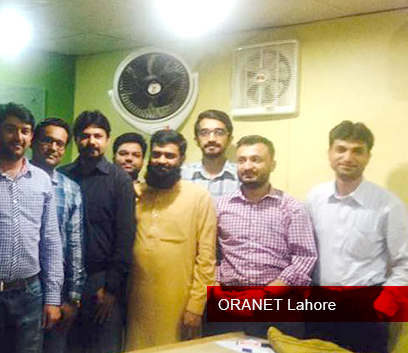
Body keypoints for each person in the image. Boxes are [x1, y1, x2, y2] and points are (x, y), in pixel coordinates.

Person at [305, 121, 408, 353]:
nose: (348, 157)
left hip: (366, 305)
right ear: (330, 153)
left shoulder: (388, 204)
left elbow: (405, 262)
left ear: (368, 156)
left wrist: (383, 307)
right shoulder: (314, 198)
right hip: (320, 303)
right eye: (341, 149)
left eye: (357, 151)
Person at [0, 103, 63, 353]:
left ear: (31, 137)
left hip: (30, 293)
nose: (18, 137)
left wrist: (53, 298)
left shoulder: (42, 180)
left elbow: (51, 242)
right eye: (10, 129)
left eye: (25, 131)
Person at [211, 135, 317, 338]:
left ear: (272, 165)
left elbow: (304, 258)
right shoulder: (220, 206)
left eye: (256, 159)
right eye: (242, 160)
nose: (247, 166)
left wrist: (265, 295)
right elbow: (211, 253)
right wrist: (217, 290)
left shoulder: (292, 208)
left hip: (278, 304)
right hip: (229, 304)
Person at [125, 130, 216, 349]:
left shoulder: (199, 197)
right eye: (156, 154)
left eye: (169, 155)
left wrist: (196, 306)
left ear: (181, 159)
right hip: (135, 300)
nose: (161, 161)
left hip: (178, 303)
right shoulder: (136, 193)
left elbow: (206, 258)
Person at [59, 110, 135, 353]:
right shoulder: (62, 176)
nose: (91, 141)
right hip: (65, 279)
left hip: (102, 281)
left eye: (98, 136)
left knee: (103, 347)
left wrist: (111, 289)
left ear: (107, 139)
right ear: (76, 139)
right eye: (85, 136)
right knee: (68, 347)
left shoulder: (119, 180)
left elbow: (125, 237)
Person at [30, 118, 85, 353]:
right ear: (33, 141)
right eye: (48, 140)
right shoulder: (16, 180)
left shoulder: (70, 188)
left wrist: (73, 297)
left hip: (58, 291)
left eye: (60, 144)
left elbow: (75, 245)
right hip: (22, 289)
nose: (53, 148)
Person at [181, 110, 239, 199]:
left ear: (229, 139)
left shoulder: (241, 176)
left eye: (219, 133)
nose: (211, 139)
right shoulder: (182, 175)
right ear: (196, 140)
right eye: (204, 133)